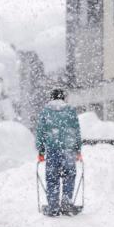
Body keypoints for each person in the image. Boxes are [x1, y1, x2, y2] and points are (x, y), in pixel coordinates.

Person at [36, 88, 83, 217]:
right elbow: (76, 131)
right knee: (69, 176)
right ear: (63, 97)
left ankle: (53, 207)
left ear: (52, 97)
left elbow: (40, 132)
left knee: (52, 178)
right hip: (68, 150)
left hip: (52, 150)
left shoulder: (46, 111)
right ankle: (67, 204)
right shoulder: (70, 111)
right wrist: (78, 149)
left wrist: (41, 151)